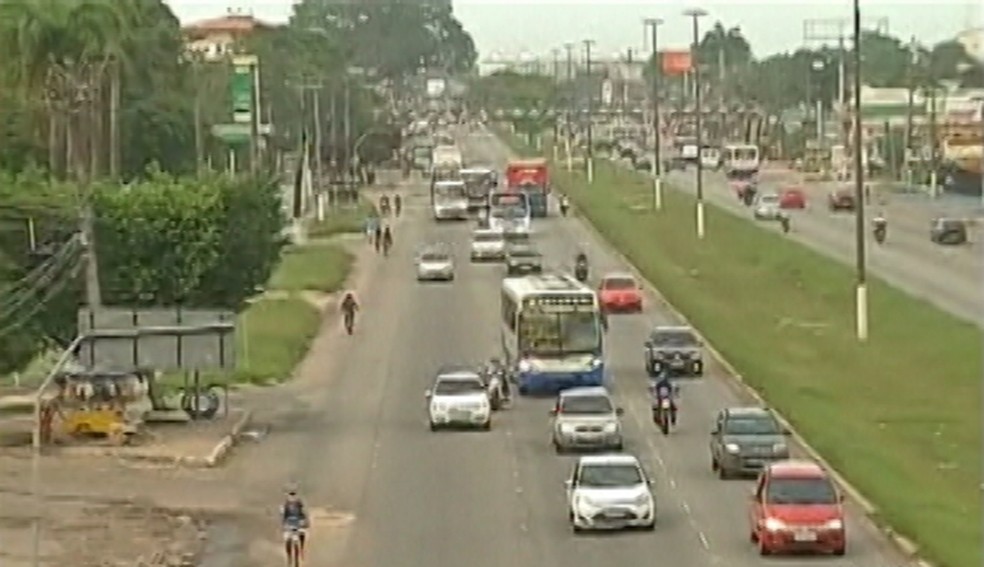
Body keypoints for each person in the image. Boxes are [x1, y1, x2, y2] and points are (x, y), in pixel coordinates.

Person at [281, 489, 309, 558]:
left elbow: (303, 513)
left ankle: (302, 549)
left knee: (302, 533)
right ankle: (289, 556)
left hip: (298, 523)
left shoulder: (299, 504)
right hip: (289, 523)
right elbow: (283, 515)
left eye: (293, 495)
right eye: (291, 495)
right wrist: (284, 524)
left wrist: (304, 522)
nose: (292, 496)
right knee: (287, 539)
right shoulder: (286, 504)